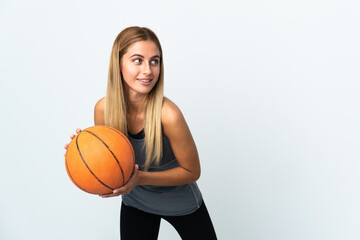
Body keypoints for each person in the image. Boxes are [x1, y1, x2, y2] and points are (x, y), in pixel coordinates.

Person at [64, 26, 217, 240]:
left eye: (154, 61)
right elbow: (108, 163)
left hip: (180, 203)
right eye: (138, 60)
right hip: (137, 202)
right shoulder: (103, 110)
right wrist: (81, 153)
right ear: (119, 64)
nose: (148, 70)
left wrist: (139, 179)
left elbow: (192, 172)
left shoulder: (169, 114)